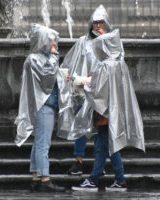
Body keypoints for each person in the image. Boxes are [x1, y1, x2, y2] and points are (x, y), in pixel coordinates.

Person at [71, 28, 145, 192]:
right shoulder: (119, 64)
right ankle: (117, 180)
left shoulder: (105, 66)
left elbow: (96, 89)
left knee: (103, 146)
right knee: (109, 146)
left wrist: (79, 81)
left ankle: (95, 179)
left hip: (104, 113)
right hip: (115, 112)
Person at [14, 24, 72, 192]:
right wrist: (55, 59)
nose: (55, 45)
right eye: (52, 42)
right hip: (43, 106)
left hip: (46, 107)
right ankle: (45, 179)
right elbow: (47, 78)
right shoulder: (34, 59)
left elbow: (53, 77)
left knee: (39, 143)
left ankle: (35, 178)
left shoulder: (42, 59)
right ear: (43, 42)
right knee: (43, 144)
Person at [61, 4, 112, 176]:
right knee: (81, 125)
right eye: (95, 23)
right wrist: (72, 80)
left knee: (100, 129)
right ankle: (79, 161)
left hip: (100, 92)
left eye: (101, 23)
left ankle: (100, 163)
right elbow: (69, 62)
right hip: (83, 88)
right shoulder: (83, 42)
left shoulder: (110, 42)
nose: (98, 26)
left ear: (106, 24)